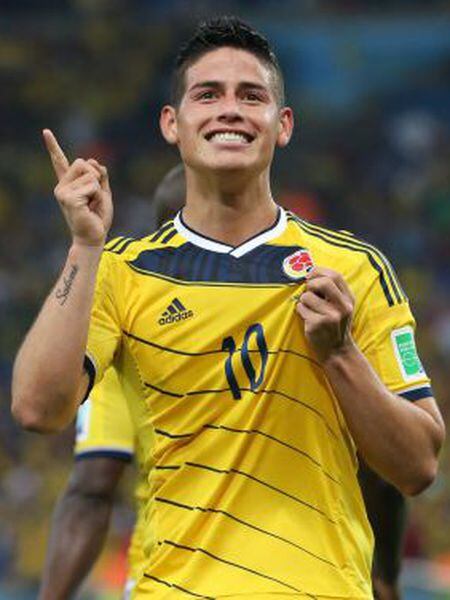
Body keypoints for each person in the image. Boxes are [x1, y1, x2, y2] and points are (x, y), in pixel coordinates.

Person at [12, 16, 445, 598]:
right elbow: (38, 409)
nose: (230, 110)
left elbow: (417, 467)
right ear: (172, 123)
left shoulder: (354, 269)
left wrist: (340, 355)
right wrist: (85, 248)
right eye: (208, 94)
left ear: (282, 125)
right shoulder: (121, 270)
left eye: (252, 96)